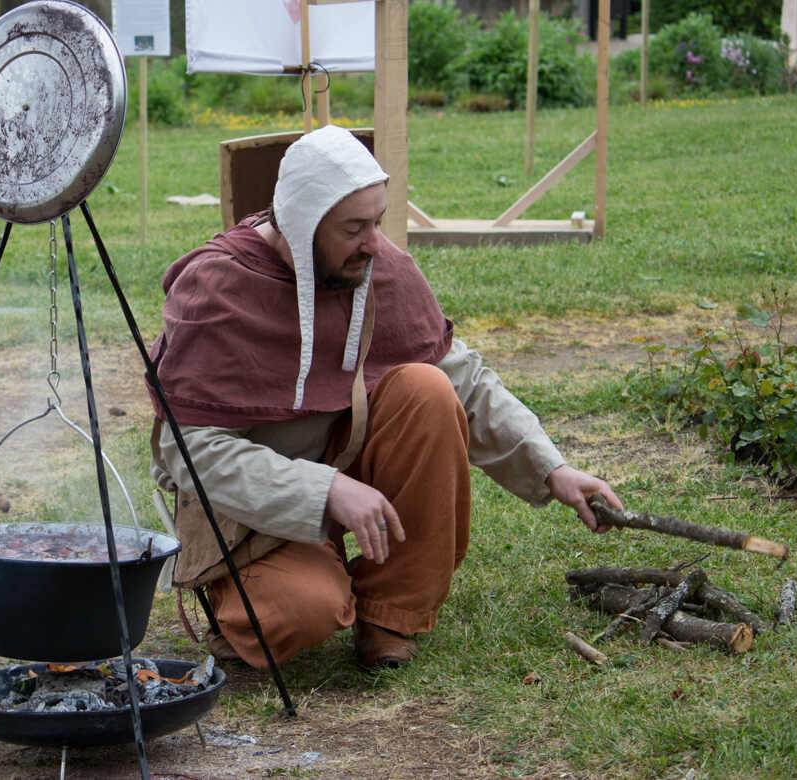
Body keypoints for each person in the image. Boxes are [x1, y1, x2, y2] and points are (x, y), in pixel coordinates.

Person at [147, 125, 621, 670]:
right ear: (302, 225)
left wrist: (551, 468)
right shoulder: (218, 290)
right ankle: (272, 587)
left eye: (377, 221)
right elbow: (191, 453)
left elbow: (464, 378)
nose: (374, 243)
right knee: (299, 611)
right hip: (251, 510)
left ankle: (389, 612)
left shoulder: (376, 266)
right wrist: (324, 491)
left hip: (344, 461)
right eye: (354, 228)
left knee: (428, 387)